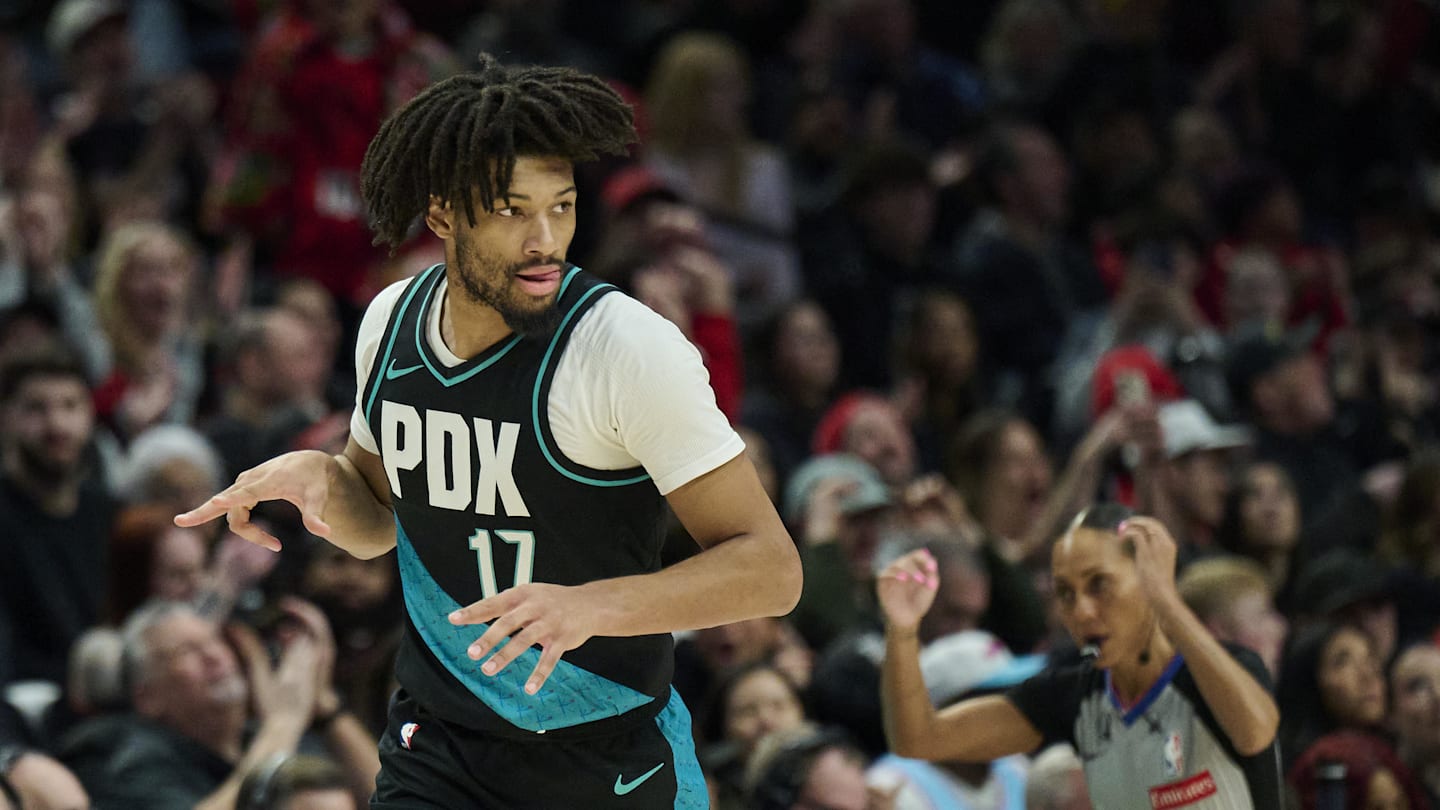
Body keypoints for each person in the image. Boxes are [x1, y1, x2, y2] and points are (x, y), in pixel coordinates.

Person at [176, 55, 802, 808]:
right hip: (439, 746)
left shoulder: (624, 347)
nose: (545, 239)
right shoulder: (391, 322)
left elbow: (772, 572)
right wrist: (322, 478)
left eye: (562, 207)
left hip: (603, 752)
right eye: (512, 210)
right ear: (443, 215)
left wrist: (590, 606)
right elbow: (376, 526)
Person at [878, 504, 1282, 808]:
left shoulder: (1227, 670)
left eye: (1099, 585)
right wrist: (902, 630)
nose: (1082, 611)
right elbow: (920, 739)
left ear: (1149, 578)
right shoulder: (1074, 696)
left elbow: (1256, 732)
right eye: (1066, 593)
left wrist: (1167, 601)